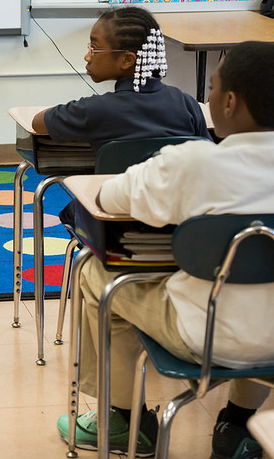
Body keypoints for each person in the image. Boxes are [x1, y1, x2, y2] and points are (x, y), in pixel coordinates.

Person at [56, 41, 274, 458]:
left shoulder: (193, 162)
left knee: (96, 276)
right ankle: (238, 425)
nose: (206, 98)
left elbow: (108, 198)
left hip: (206, 337)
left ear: (229, 101)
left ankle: (122, 421)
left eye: (210, 88)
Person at [31, 6, 211, 227]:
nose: (87, 56)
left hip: (111, 223)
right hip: (180, 224)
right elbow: (207, 157)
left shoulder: (95, 109)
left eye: (95, 48)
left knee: (72, 210)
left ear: (127, 59)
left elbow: (38, 122)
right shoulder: (188, 104)